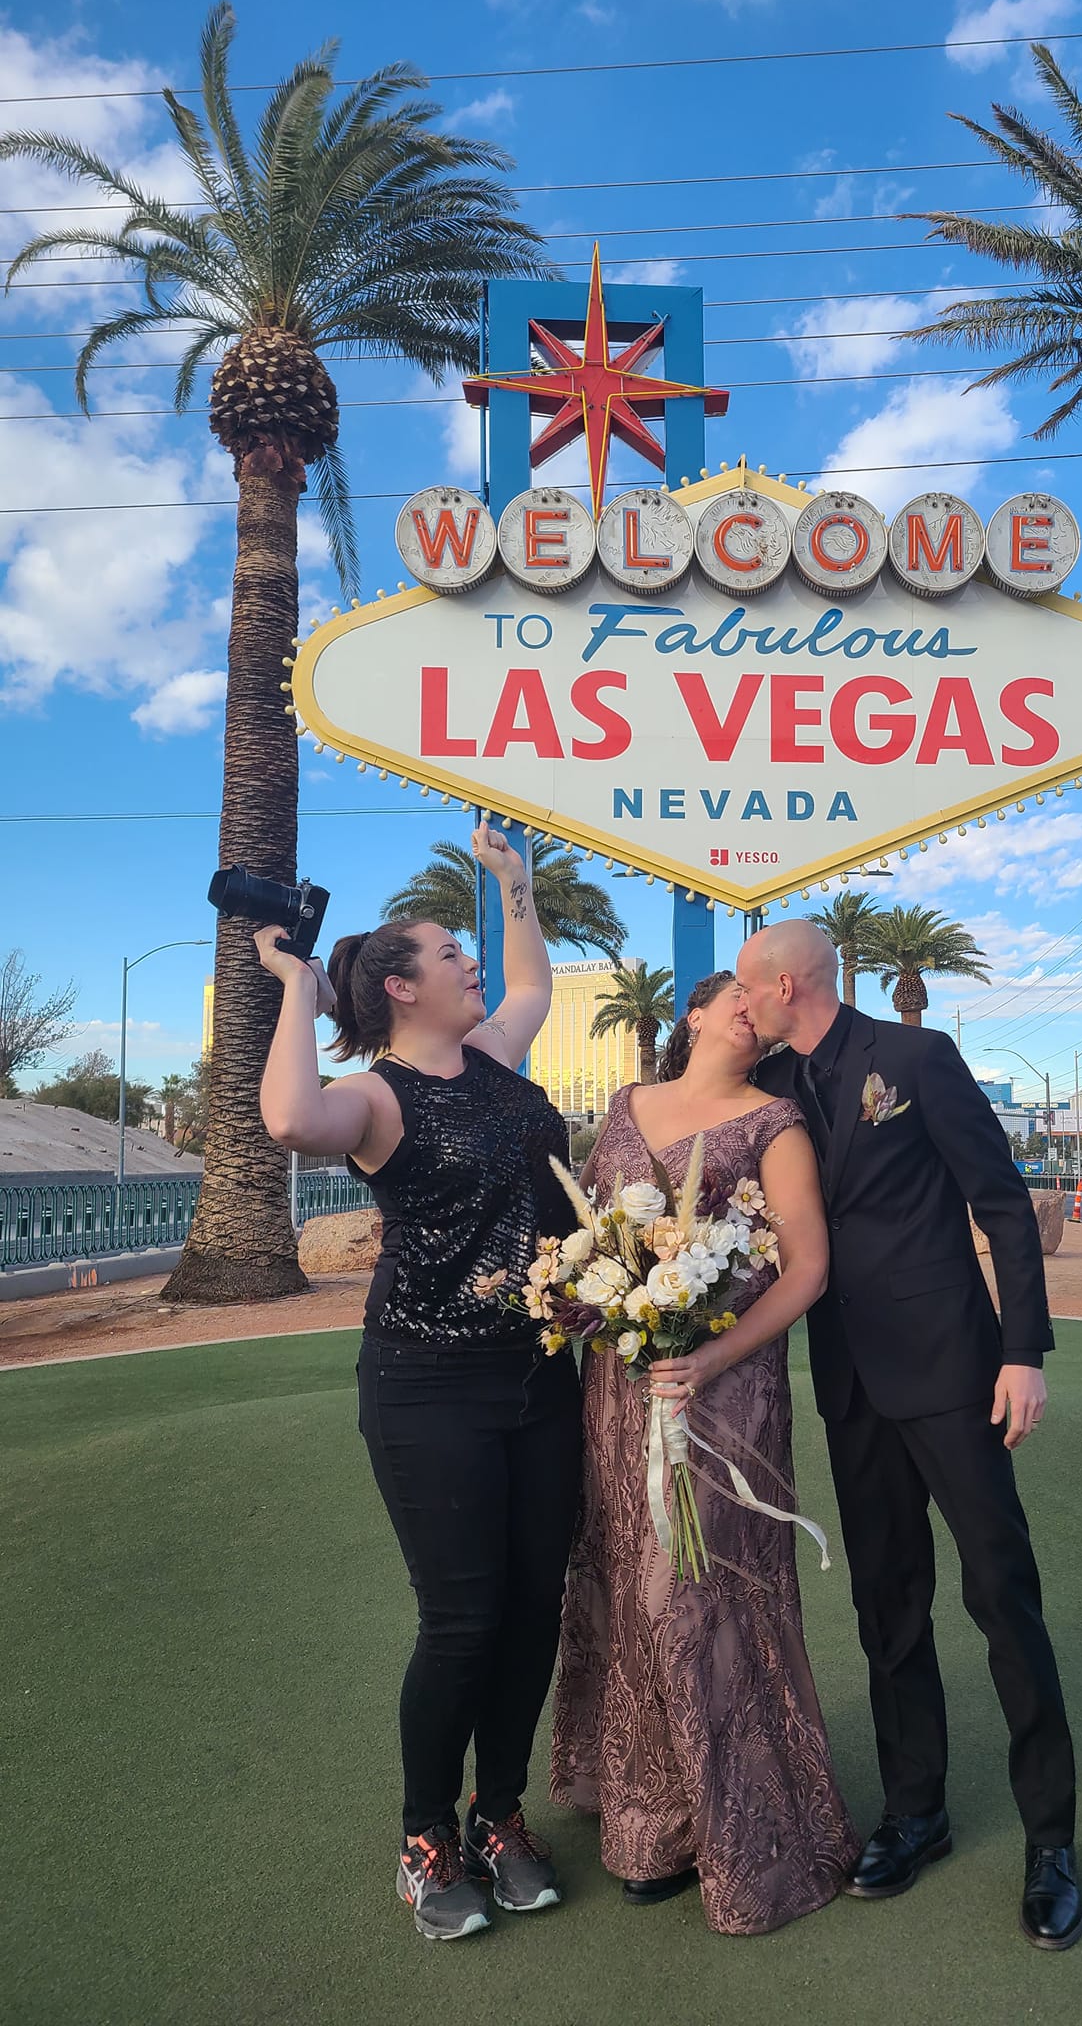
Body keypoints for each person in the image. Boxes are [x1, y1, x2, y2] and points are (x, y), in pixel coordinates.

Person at [256, 823, 580, 1944]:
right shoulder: (374, 1097)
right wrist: (296, 985)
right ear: (401, 987)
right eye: (450, 951)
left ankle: (501, 1814)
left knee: (536, 1603)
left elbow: (535, 975)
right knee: (462, 1617)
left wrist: (515, 885)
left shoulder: (494, 1055)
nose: (471, 961)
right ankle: (426, 1835)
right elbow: (292, 1120)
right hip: (425, 1382)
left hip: (541, 1375)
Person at [738, 920, 1082, 1950]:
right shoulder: (775, 1093)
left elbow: (1003, 1205)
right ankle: (915, 1812)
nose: (744, 1005)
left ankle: (1052, 1840)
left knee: (1000, 1592)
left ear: (787, 983)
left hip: (953, 1371)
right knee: (887, 1599)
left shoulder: (917, 1058)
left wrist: (1024, 1351)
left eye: (752, 991)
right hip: (849, 1382)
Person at [550, 970, 861, 1935]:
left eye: (754, 1006)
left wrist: (708, 1351)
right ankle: (649, 1816)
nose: (744, 1010)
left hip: (724, 1394)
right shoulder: (622, 1106)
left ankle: (740, 1826)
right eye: (725, 996)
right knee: (624, 1573)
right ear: (690, 1014)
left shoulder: (775, 1126)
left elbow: (807, 1267)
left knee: (695, 1590)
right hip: (620, 1383)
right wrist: (598, 1300)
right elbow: (592, 1235)